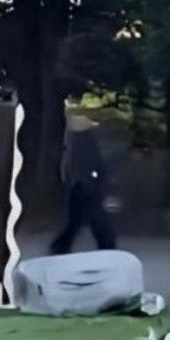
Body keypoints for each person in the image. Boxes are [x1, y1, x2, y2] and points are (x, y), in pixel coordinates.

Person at [50, 108, 117, 255]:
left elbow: (77, 164)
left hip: (80, 185)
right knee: (91, 218)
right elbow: (93, 162)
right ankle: (106, 244)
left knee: (79, 220)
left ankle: (61, 245)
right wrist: (97, 180)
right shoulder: (86, 141)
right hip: (87, 185)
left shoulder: (74, 141)